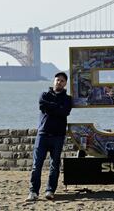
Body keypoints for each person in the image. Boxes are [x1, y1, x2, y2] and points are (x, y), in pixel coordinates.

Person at [27, 72, 72, 201]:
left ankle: (50, 190)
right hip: (43, 135)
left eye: (62, 81)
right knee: (37, 165)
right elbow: (43, 105)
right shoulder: (44, 95)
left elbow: (65, 111)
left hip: (58, 136)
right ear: (54, 81)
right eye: (58, 80)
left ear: (65, 83)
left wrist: (51, 107)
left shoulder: (68, 99)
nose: (59, 82)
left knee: (55, 164)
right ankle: (33, 192)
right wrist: (57, 107)